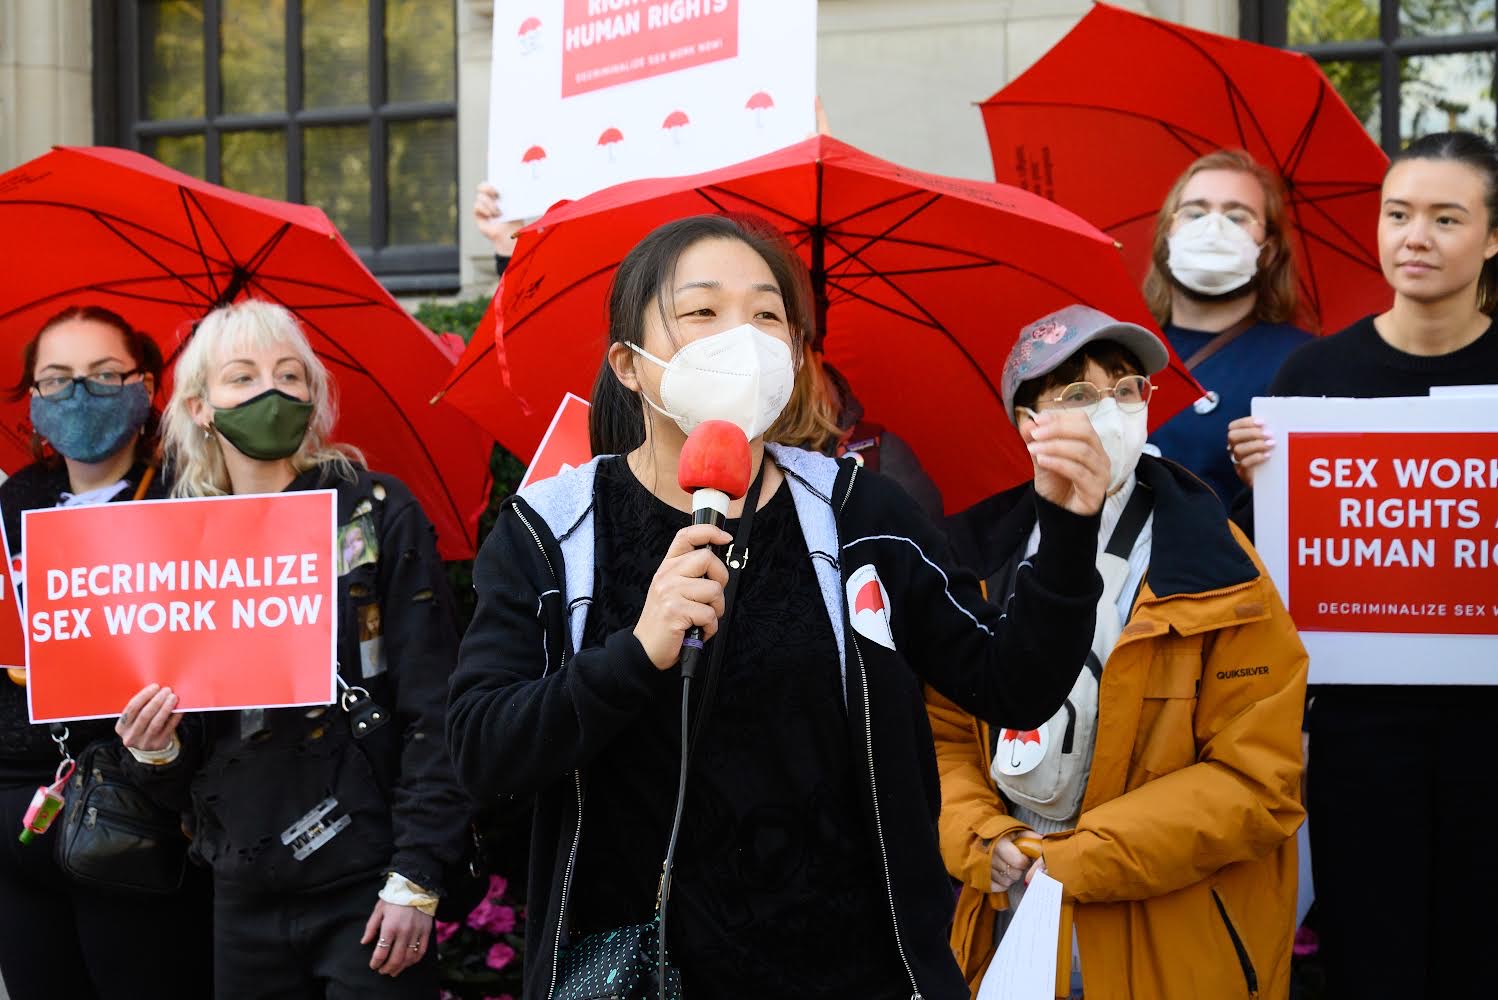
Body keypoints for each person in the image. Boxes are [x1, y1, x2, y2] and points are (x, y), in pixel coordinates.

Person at [447, 214, 1113, 1000]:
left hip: (853, 967)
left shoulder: (862, 516)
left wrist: (1068, 534)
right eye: (703, 312)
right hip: (641, 968)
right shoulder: (552, 532)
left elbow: (1014, 682)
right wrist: (636, 652)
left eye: (768, 316)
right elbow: (484, 749)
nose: (744, 337)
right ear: (628, 364)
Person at [935, 304, 1307, 999]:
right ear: (1029, 425)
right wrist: (984, 838)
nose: (1111, 408)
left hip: (1171, 947)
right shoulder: (972, 561)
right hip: (1010, 927)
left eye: (1127, 387)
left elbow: (1259, 779)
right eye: (1078, 394)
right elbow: (940, 739)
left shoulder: (1222, 569)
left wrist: (1080, 858)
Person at [114, 299, 470, 998]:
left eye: (290, 375)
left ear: (313, 396)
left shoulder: (374, 512)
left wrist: (418, 875)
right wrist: (154, 749)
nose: (271, 392)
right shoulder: (173, 549)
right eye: (242, 378)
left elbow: (438, 701)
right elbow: (179, 774)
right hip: (241, 890)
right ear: (201, 407)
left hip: (371, 885)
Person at [1226, 130, 1498, 1000]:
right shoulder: (1315, 376)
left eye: (1446, 217)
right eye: (1398, 214)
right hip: (1356, 736)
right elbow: (1267, 561)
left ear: (1492, 238)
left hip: (1490, 737)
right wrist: (1257, 480)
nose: (1414, 236)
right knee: (1370, 954)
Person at [0, 304, 211, 999]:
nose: (78, 393)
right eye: (56, 379)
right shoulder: (12, 507)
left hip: (134, 813)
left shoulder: (191, 499)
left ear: (146, 386)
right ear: (32, 398)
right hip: (19, 820)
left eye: (102, 374)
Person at [1143, 150, 1313, 505]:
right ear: (1167, 235)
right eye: (1194, 212)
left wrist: (1266, 483)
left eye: (1237, 217)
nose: (1213, 227)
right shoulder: (1121, 352)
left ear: (1267, 250)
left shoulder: (1304, 364)